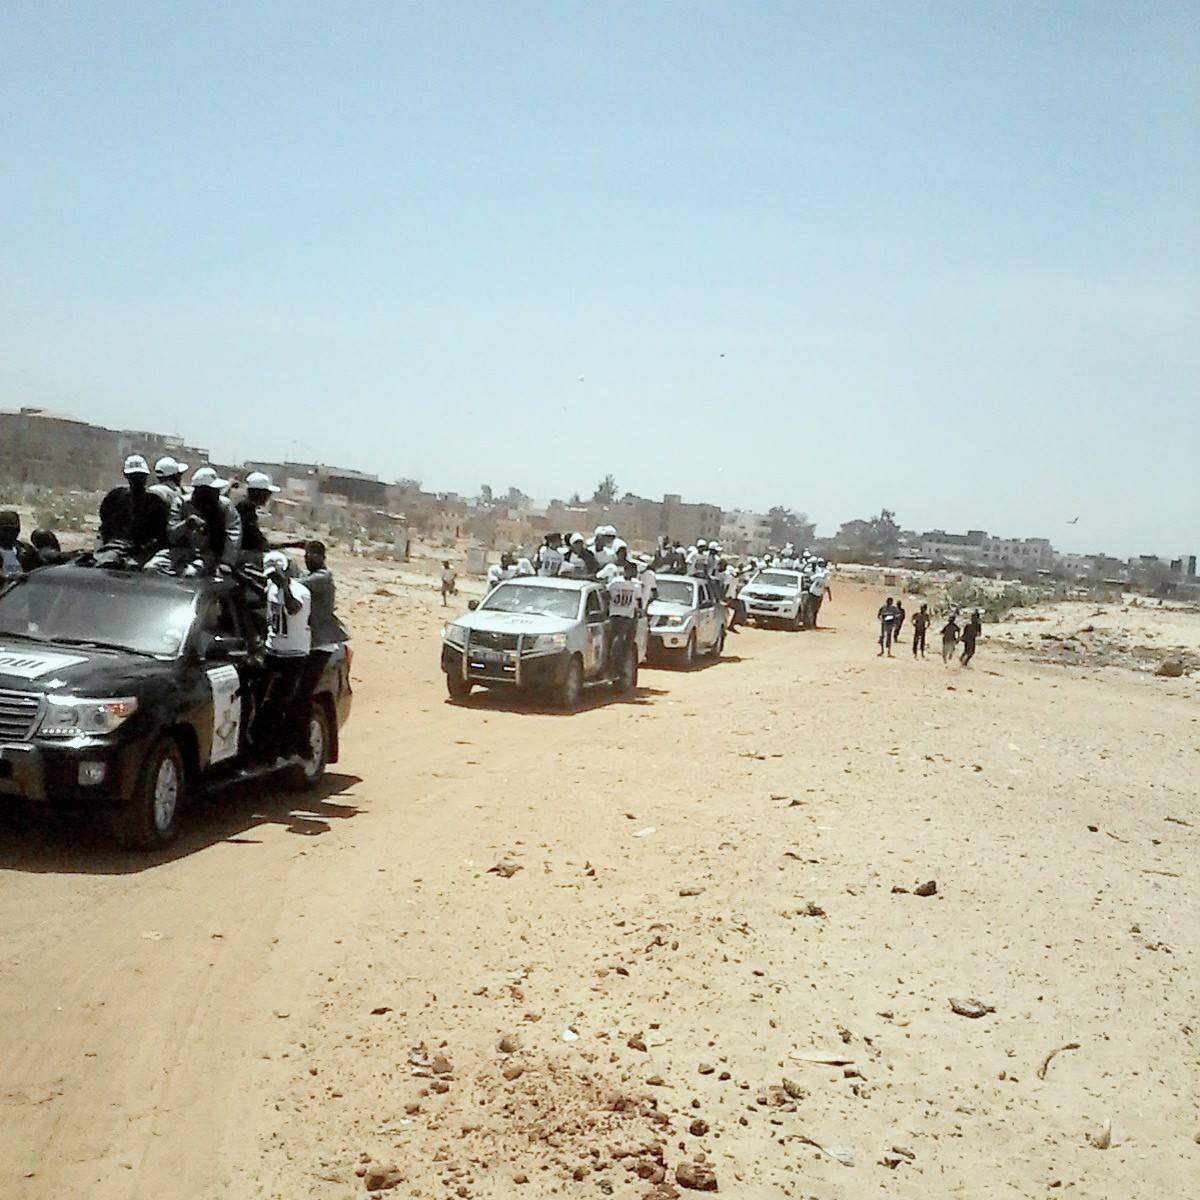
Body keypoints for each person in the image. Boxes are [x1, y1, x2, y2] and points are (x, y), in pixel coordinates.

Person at [253, 550, 313, 763]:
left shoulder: (301, 592)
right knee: (260, 700)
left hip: (293, 656)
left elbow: (293, 608)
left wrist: (284, 585)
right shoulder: (271, 587)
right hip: (273, 651)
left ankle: (276, 752)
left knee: (275, 704)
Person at [296, 540, 350, 751]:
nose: (307, 560)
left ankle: (303, 744)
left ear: (320, 557)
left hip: (321, 643)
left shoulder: (322, 578)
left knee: (304, 693)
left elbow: (294, 584)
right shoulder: (315, 577)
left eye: (310, 556)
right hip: (313, 641)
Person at [167, 467, 242, 575]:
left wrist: (227, 561)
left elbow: (234, 534)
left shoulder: (225, 506)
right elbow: (171, 535)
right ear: (199, 490)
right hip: (180, 551)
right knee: (152, 567)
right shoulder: (181, 502)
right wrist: (187, 524)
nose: (216, 493)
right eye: (212, 490)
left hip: (208, 554)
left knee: (191, 573)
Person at [98, 454, 170, 563]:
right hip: (116, 546)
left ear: (146, 476)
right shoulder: (115, 497)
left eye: (140, 476)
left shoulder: (155, 500)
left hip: (145, 550)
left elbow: (162, 533)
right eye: (134, 476)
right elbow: (105, 523)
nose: (138, 480)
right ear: (127, 476)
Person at [236, 470, 282, 566]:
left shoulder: (246, 507)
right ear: (259, 493)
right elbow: (258, 542)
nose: (269, 497)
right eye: (268, 493)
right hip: (241, 555)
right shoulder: (246, 509)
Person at [606, 558, 640, 666]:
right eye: (631, 570)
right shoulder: (616, 582)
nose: (633, 573)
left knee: (621, 637)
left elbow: (638, 600)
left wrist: (638, 611)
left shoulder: (636, 584)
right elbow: (607, 593)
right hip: (615, 613)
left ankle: (617, 660)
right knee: (613, 636)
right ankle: (610, 658)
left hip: (628, 615)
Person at [0, 511, 38, 581]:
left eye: (13, 530)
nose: (9, 534)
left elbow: (40, 567)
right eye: (5, 530)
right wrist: (8, 577)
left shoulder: (26, 549)